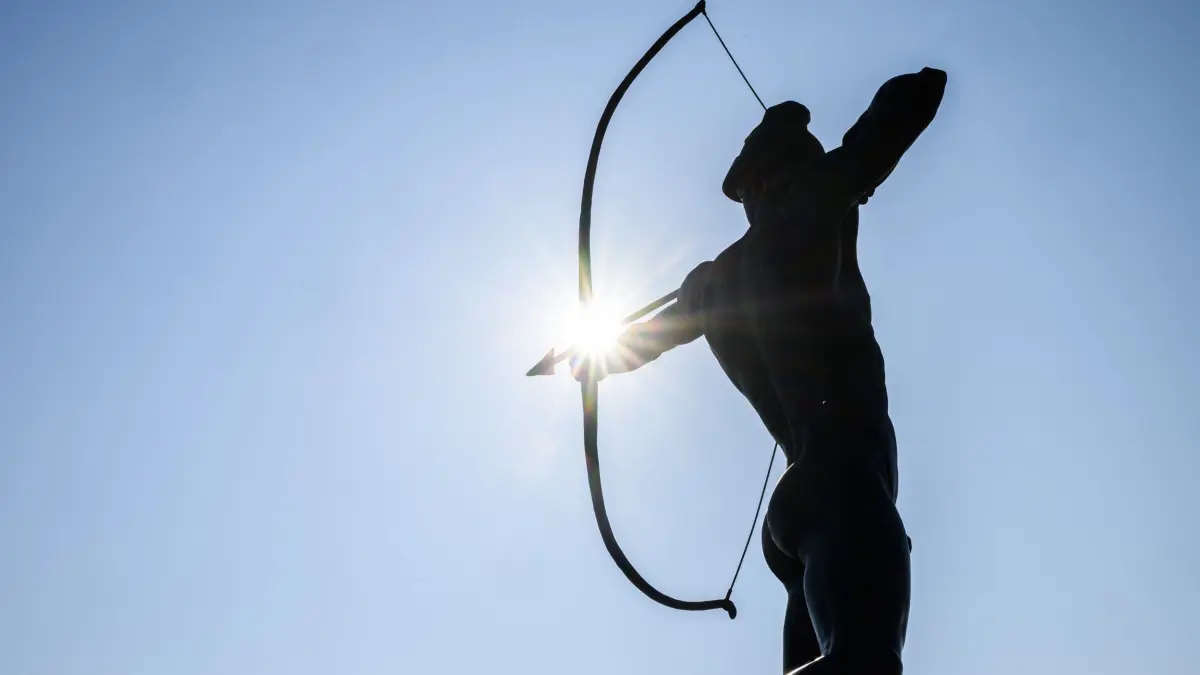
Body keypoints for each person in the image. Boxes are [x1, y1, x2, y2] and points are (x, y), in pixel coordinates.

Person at [572, 66, 948, 674]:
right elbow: (906, 110)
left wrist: (590, 361)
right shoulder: (813, 207)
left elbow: (630, 347)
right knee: (866, 663)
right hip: (847, 481)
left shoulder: (709, 284)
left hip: (797, 513)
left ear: (751, 187)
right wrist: (854, 159)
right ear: (784, 176)